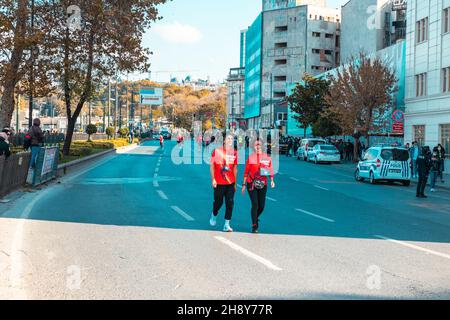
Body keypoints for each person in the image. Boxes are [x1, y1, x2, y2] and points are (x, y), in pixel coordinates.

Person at [241, 138, 275, 234]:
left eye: (259, 144)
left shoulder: (267, 158)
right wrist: (243, 185)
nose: (258, 146)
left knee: (262, 206)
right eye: (256, 145)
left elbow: (270, 170)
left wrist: (272, 180)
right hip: (251, 184)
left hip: (263, 184)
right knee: (255, 204)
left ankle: (255, 217)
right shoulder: (251, 158)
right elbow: (246, 173)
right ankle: (254, 225)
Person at [209, 133, 238, 232]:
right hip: (219, 182)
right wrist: (213, 179)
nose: (230, 140)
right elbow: (212, 166)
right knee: (218, 202)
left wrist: (235, 183)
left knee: (230, 203)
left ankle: (226, 224)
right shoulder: (217, 151)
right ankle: (214, 214)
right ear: (224, 140)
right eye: (228, 138)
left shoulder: (234, 153)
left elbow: (235, 168)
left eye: (232, 139)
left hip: (230, 183)